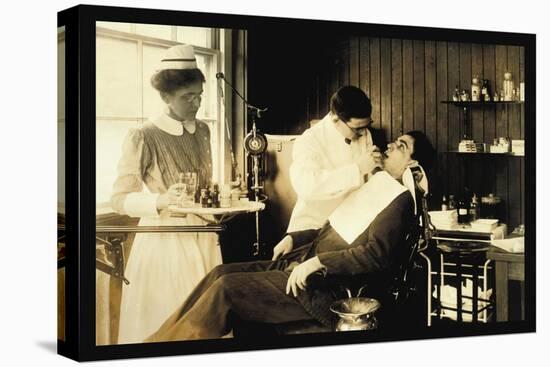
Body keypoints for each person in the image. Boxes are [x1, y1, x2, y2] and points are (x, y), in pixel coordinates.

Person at [145, 130, 435, 342]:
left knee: (226, 289)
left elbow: (376, 256)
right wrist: (294, 238)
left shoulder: (399, 201)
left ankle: (165, 350)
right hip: (303, 262)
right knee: (220, 271)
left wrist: (320, 262)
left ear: (411, 165)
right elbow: (330, 228)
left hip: (326, 287)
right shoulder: (374, 185)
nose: (388, 146)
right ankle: (159, 340)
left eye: (400, 147)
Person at [111, 44, 222, 344]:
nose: (197, 103)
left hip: (203, 233)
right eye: (188, 97)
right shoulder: (143, 136)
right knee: (170, 323)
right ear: (165, 97)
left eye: (199, 95)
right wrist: (161, 200)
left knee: (207, 322)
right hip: (165, 240)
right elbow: (120, 198)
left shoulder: (202, 131)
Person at [272, 86, 387, 261]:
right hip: (312, 228)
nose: (363, 133)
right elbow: (308, 187)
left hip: (346, 229)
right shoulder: (309, 141)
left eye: (367, 126)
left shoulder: (364, 134)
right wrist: (358, 169)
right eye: (357, 129)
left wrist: (377, 169)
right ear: (335, 118)